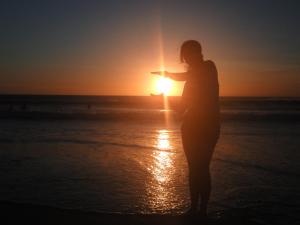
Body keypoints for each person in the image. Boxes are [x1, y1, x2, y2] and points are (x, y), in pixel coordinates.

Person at [151, 40, 220, 217]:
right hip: (189, 126)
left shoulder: (208, 67)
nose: (188, 58)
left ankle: (203, 210)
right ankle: (193, 208)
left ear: (199, 52)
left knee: (202, 167)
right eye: (185, 55)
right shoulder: (189, 81)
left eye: (191, 53)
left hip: (208, 125)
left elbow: (193, 74)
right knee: (193, 168)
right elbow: (181, 109)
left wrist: (168, 75)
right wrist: (163, 100)